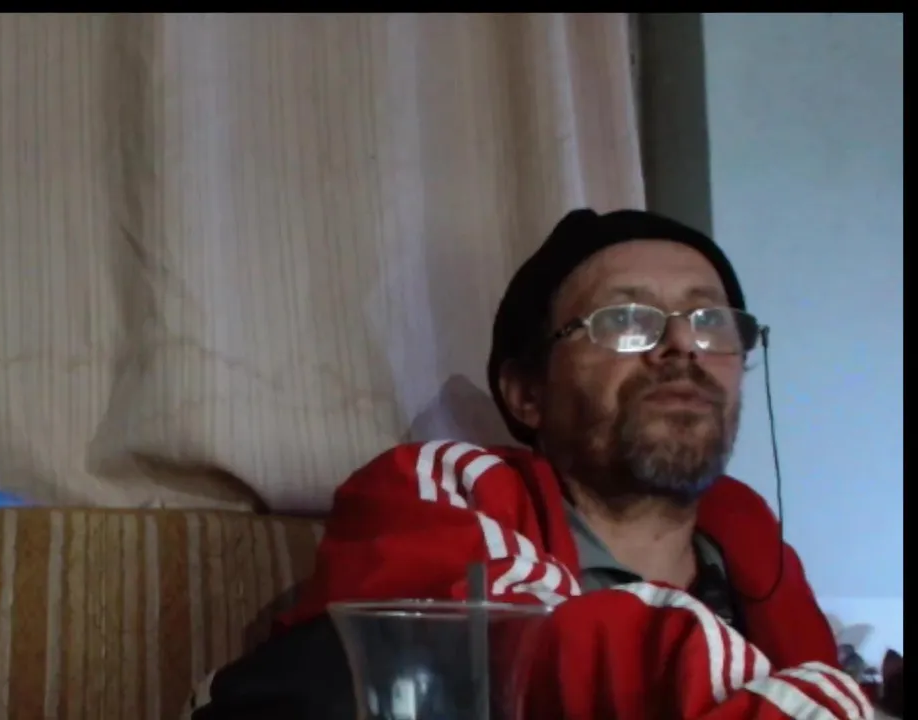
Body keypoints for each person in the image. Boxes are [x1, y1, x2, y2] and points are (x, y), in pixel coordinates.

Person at [187, 209, 872, 719]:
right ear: (526, 393)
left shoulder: (762, 564)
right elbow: (516, 643)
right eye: (625, 320)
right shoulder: (438, 490)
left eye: (711, 321)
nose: (681, 347)